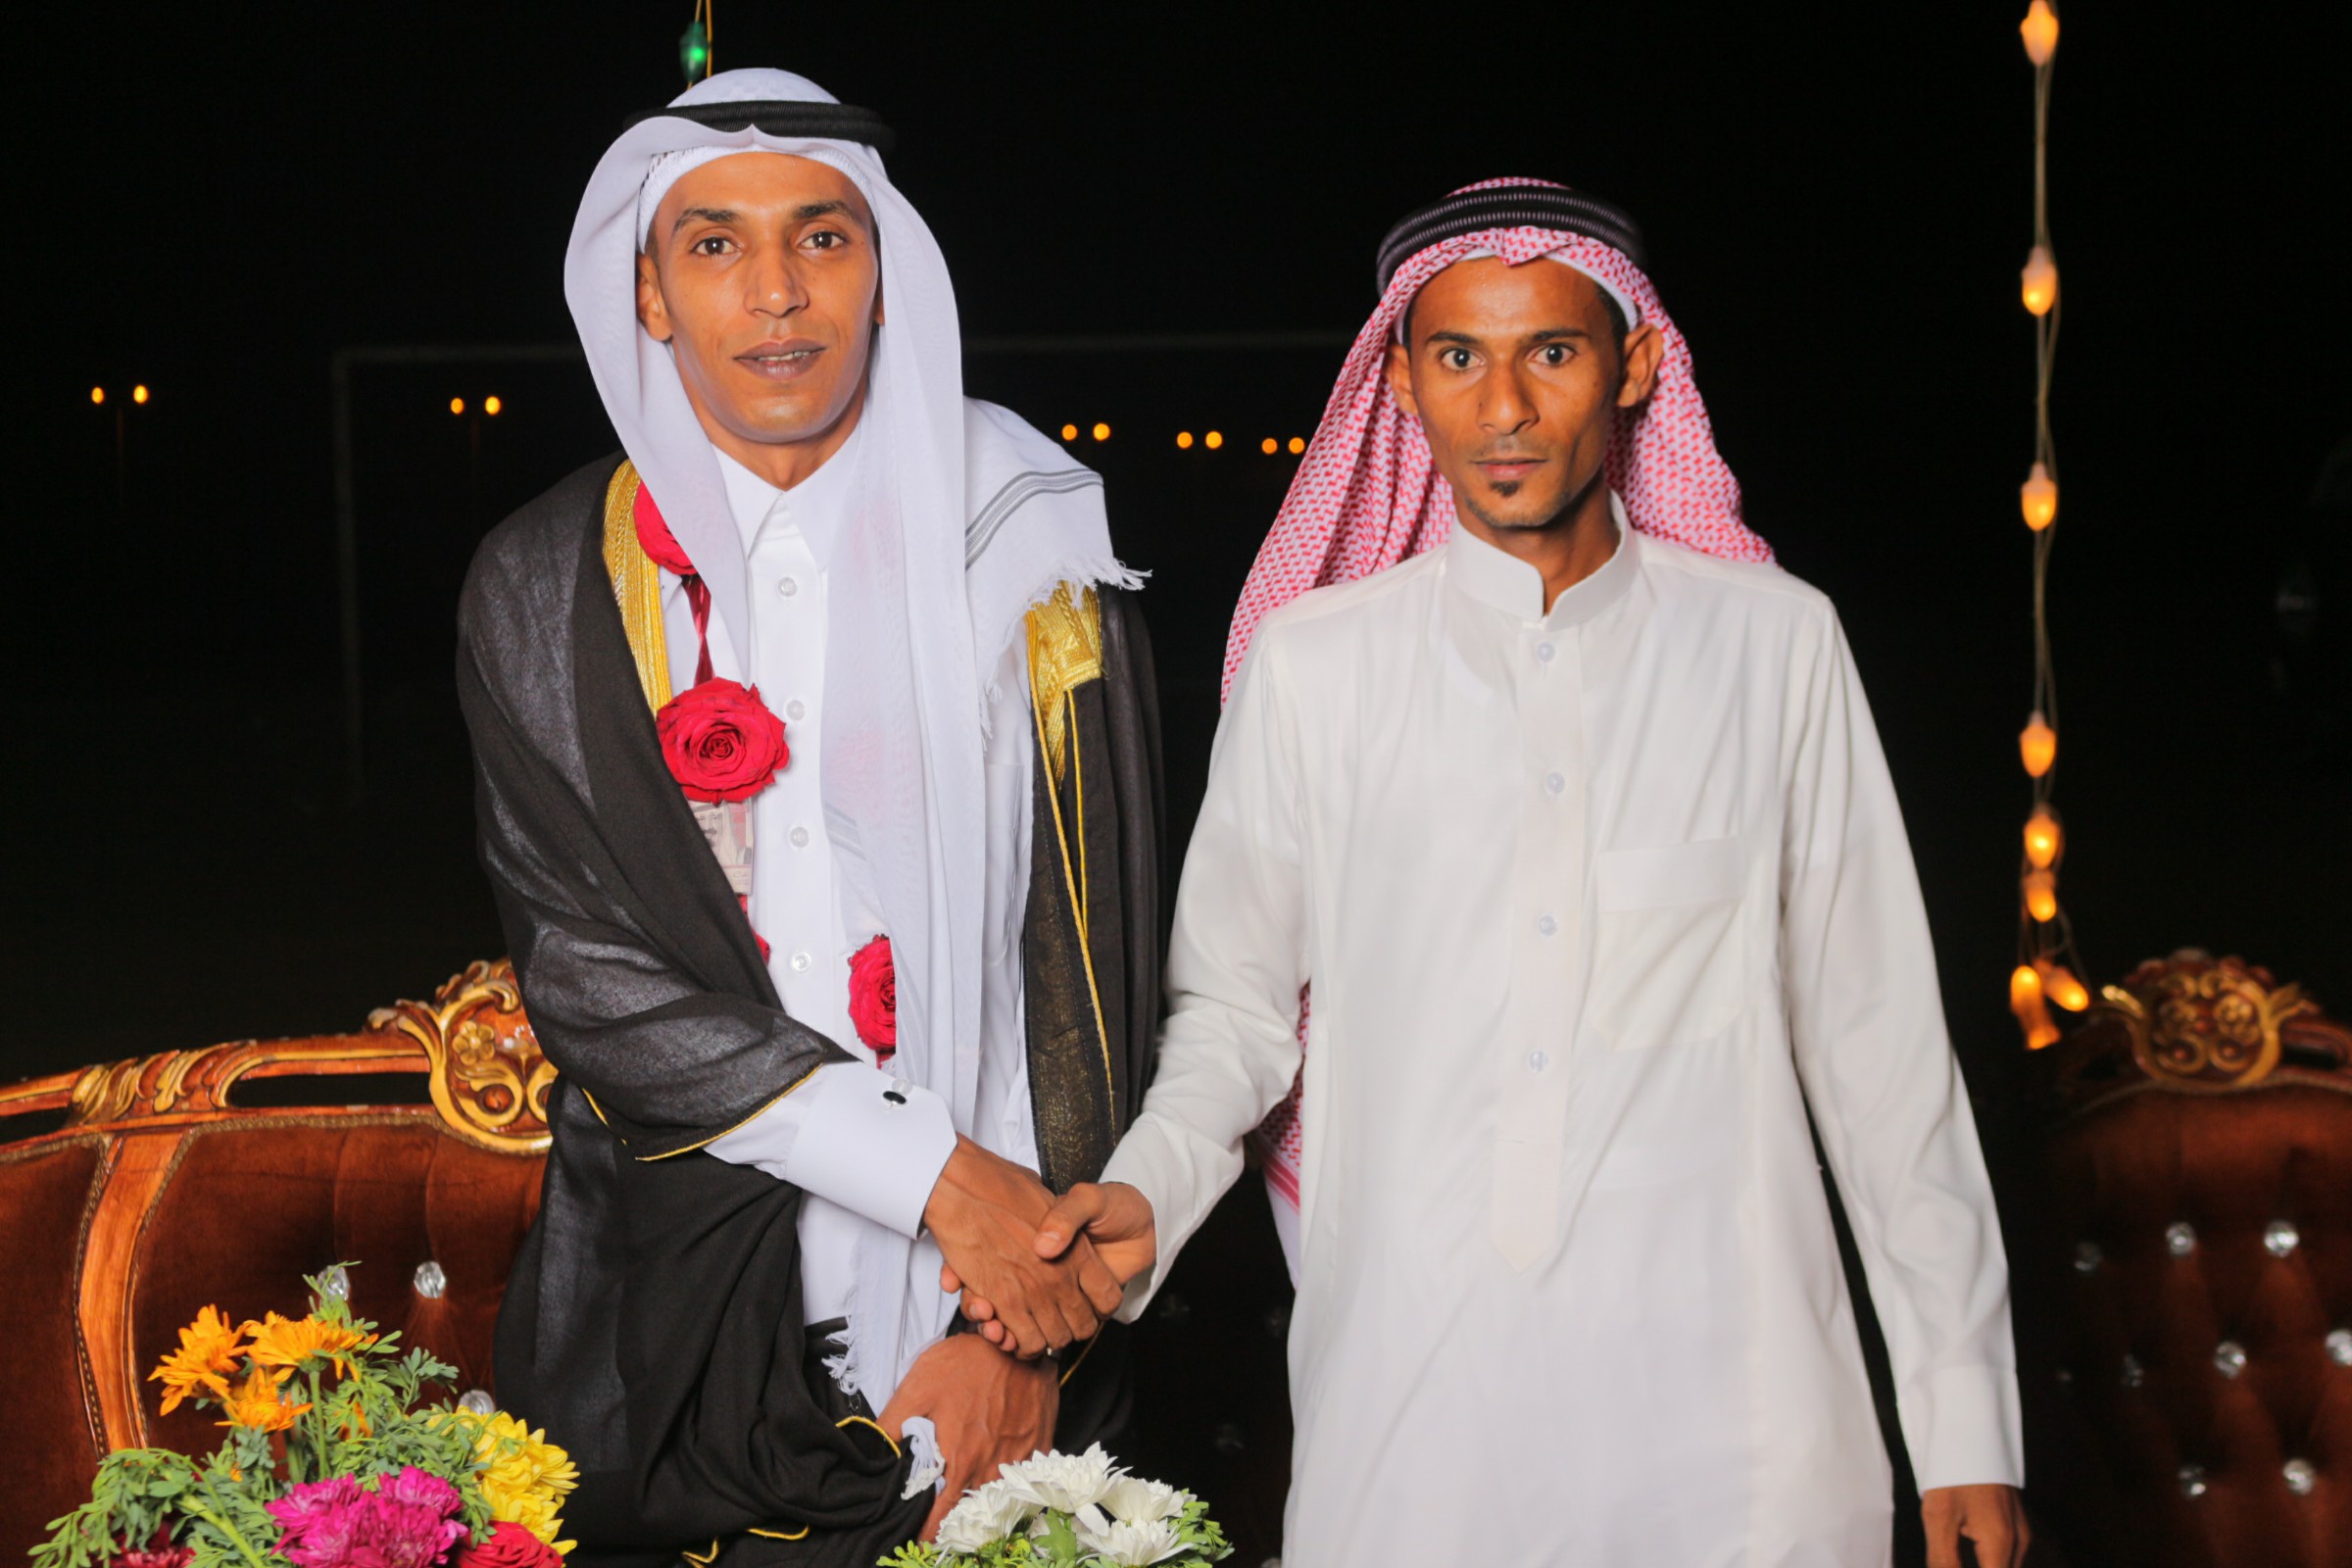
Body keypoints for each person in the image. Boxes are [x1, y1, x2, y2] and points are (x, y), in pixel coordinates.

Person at [993, 179, 2029, 1567]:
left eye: (1551, 351)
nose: (1505, 408)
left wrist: (1964, 1428)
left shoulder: (1772, 645)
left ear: (1635, 366)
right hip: (1415, 1401)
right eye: (1458, 357)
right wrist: (1151, 1189)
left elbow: (1879, 1051)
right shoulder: (1318, 666)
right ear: (1401, 382)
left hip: (1745, 1418)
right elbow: (1235, 1014)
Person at [456, 68, 1162, 1567]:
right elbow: (589, 977)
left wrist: (1021, 1333)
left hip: (996, 1311)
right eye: (715, 244)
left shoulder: (1028, 542)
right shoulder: (545, 577)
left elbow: (1088, 968)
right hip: (672, 1307)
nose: (776, 292)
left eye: (821, 237)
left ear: (884, 266)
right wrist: (934, 1179)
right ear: (649, 293)